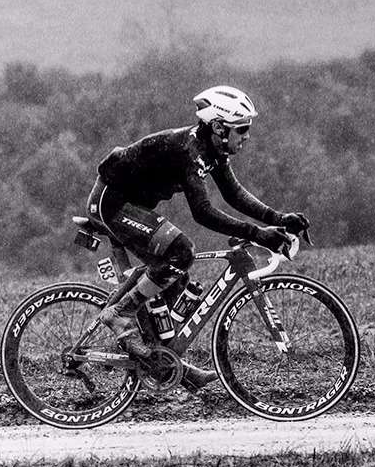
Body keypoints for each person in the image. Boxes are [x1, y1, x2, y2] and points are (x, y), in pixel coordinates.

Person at [88, 86, 308, 391]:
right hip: (111, 203)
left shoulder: (213, 149)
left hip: (133, 204)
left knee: (174, 278)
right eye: (242, 129)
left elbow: (234, 194)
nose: (247, 136)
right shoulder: (189, 151)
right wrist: (257, 233)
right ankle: (120, 314)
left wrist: (278, 218)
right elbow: (203, 213)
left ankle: (168, 365)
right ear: (219, 127)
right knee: (181, 252)